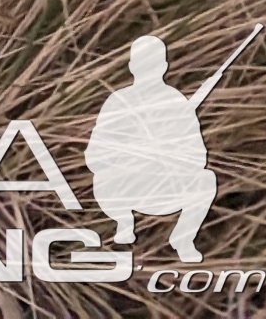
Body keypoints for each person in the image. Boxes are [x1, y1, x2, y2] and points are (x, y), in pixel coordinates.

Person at [88, 34, 223, 262]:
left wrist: (171, 154)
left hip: (166, 186)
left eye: (152, 64)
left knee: (206, 179)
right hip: (124, 188)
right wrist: (134, 156)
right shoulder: (118, 101)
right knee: (102, 179)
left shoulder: (176, 102)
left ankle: (183, 238)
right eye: (142, 64)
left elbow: (198, 156)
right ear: (132, 67)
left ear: (164, 66)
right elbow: (94, 156)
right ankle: (124, 221)